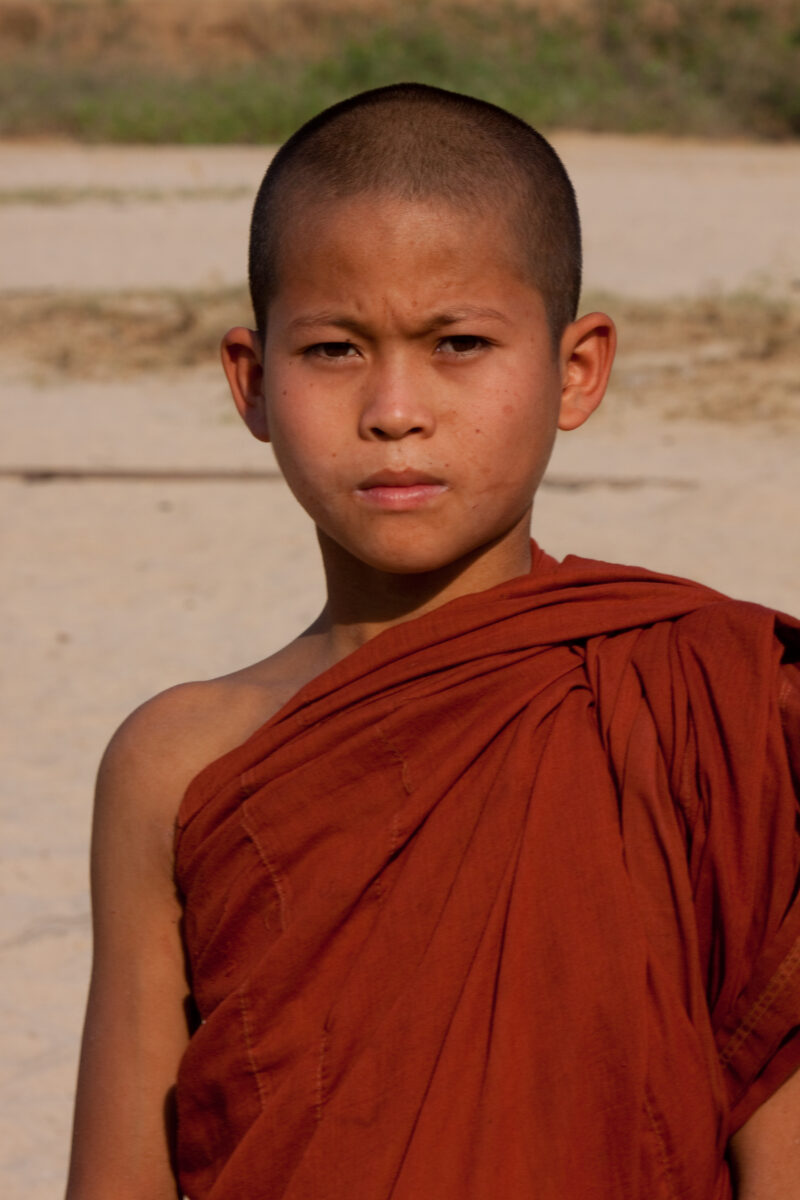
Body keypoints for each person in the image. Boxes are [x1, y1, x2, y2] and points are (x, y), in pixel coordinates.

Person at [65, 83, 800, 1200]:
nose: (395, 409)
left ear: (575, 369)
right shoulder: (176, 762)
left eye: (457, 342)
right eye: (333, 351)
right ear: (251, 381)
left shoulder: (716, 704)